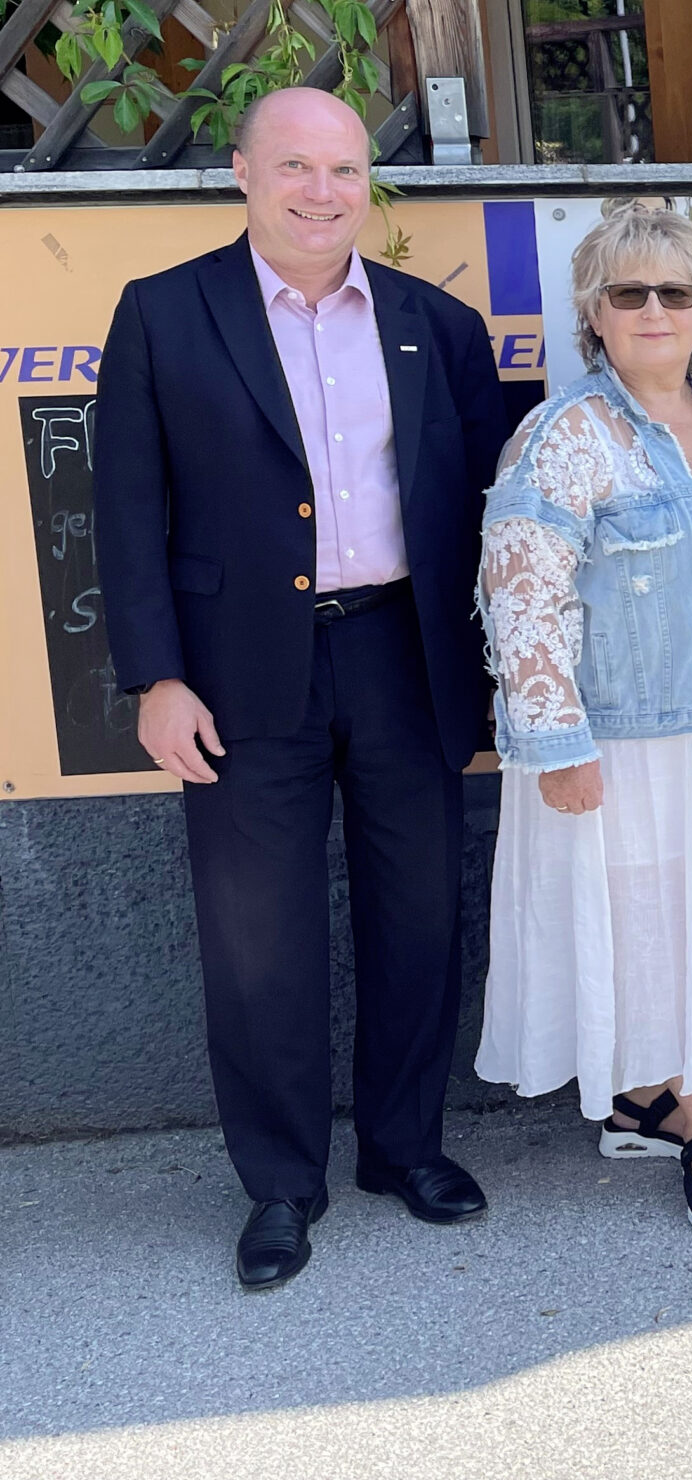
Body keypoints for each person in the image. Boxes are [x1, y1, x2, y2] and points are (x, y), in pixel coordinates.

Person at [95, 87, 512, 1290]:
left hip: (404, 656)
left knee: (421, 916)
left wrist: (497, 679)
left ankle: (404, 1149)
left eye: (341, 169)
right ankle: (281, 1186)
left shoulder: (438, 325)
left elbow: (485, 515)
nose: (321, 191)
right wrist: (157, 678)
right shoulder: (166, 316)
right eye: (294, 167)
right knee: (256, 941)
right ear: (241, 174)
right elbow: (122, 516)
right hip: (237, 674)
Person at [476, 206, 692, 1235]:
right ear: (594, 311)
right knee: (649, 897)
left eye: (676, 291)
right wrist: (554, 740)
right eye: (630, 293)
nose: (655, 310)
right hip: (629, 721)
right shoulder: (565, 433)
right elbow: (520, 589)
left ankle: (644, 1094)